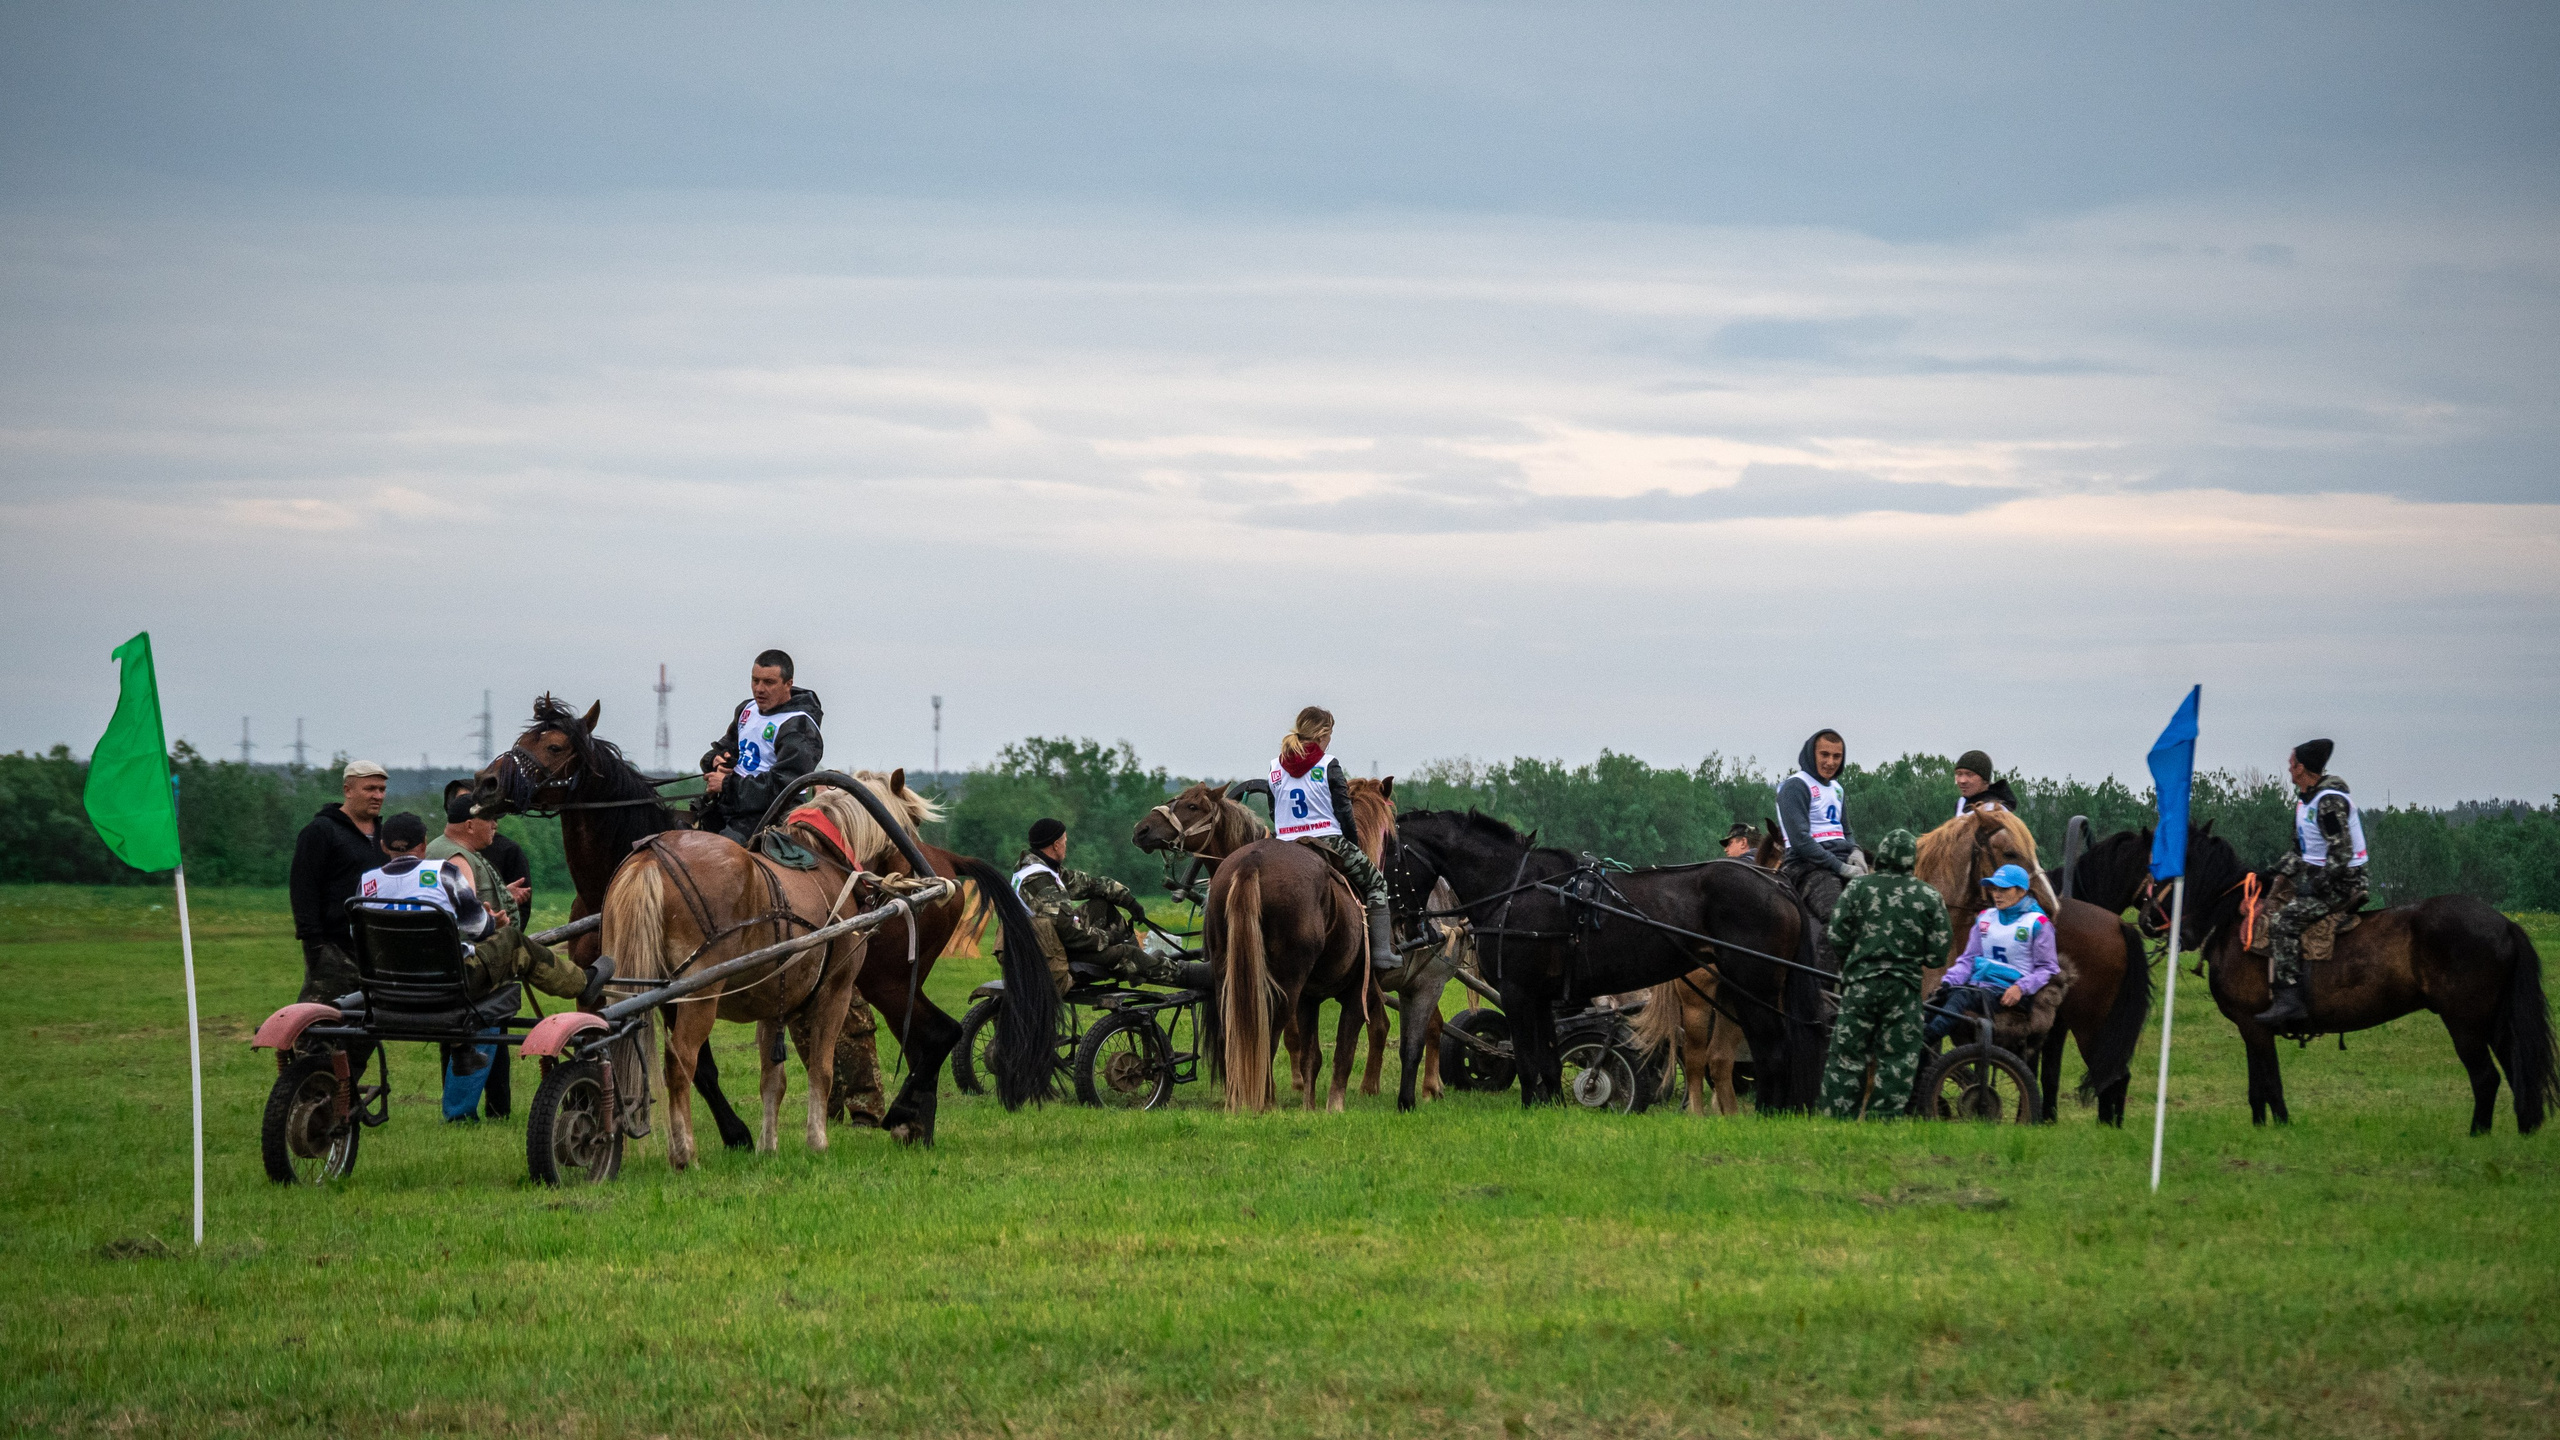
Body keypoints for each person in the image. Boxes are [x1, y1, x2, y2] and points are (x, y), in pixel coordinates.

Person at [1818, 828, 1952, 1119]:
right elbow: (1939, 952)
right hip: (1903, 990)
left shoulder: (1858, 888)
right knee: (1898, 1058)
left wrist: (1856, 958)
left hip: (1859, 986)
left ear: (1882, 855)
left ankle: (1837, 1117)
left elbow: (1836, 934)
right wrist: (1915, 958)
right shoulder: (1929, 896)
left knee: (1847, 1054)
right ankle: (1884, 1118)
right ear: (1911, 859)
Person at [1268, 706, 1398, 973]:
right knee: (1376, 883)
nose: (1329, 742)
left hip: (1284, 843)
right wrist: (1352, 843)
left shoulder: (1275, 767)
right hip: (1327, 841)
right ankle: (1382, 954)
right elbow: (1344, 811)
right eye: (1330, 736)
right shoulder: (1328, 764)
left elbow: (1273, 811)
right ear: (1322, 734)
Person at [2256, 738, 2370, 1030]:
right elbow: (2300, 853)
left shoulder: (2329, 802)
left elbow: (2341, 852)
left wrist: (2316, 886)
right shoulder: (2305, 801)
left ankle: (2289, 999)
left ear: (2301, 768)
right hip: (2324, 879)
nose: (2288, 768)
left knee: (2283, 922)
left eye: (2291, 763)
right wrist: (2268, 874)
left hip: (2343, 882)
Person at [1012, 818, 1155, 992]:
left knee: (1101, 905)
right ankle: (1140, 963)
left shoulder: (1032, 869)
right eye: (1065, 841)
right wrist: (1109, 937)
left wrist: (1129, 901)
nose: (1066, 846)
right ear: (1056, 845)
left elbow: (1091, 884)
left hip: (1037, 945)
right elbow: (1069, 933)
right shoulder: (1040, 881)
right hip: (1048, 955)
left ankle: (1136, 965)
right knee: (1125, 951)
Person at [1924, 865, 2061, 1045]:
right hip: (1979, 987)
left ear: (2021, 891)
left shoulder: (2038, 923)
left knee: (1960, 997)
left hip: (2008, 992)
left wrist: (2020, 988)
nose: (1996, 894)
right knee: (1936, 1000)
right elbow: (1969, 959)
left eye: (2004, 889)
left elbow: (2048, 968)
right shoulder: (1984, 918)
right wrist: (1949, 982)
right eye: (1994, 889)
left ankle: (1925, 1040)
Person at [288, 760, 389, 1002]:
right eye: (370, 789)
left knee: (370, 1018)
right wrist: (314, 944)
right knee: (323, 1016)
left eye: (382, 789)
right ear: (348, 790)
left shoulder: (385, 836)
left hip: (377, 948)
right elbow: (303, 889)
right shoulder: (322, 831)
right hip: (333, 947)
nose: (377, 796)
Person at [699, 648, 823, 843]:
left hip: (772, 814)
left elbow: (784, 786)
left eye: (769, 682)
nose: (759, 689)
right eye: (755, 680)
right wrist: (716, 760)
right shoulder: (747, 709)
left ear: (788, 684)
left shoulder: (798, 727)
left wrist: (727, 785)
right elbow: (726, 747)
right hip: (731, 806)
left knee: (716, 853)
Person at [1774, 729, 1858, 921]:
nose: (1830, 762)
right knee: (1837, 917)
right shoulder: (1796, 786)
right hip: (1807, 865)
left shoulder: (1837, 789)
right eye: (1824, 754)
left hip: (1841, 859)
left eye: (1837, 756)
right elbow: (1800, 840)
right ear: (1812, 754)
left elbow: (1846, 831)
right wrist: (1840, 867)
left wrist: (1856, 851)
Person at [446, 778, 532, 922]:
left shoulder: (508, 850)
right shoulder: (441, 848)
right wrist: (503, 896)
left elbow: (522, 911)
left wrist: (503, 901)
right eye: (461, 801)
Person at [1952, 750, 2021, 816]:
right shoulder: (1961, 804)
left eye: (1969, 774)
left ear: (1984, 780)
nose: (1962, 781)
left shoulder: (1995, 810)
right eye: (1959, 774)